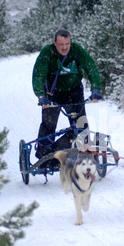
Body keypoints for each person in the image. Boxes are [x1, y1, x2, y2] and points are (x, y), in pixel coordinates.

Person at [32, 29, 102, 159]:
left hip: (74, 91)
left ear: (70, 42)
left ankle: (84, 152)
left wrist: (96, 88)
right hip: (53, 93)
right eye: (61, 44)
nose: (64, 48)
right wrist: (41, 96)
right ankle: (43, 154)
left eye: (67, 44)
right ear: (54, 42)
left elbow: (90, 66)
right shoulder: (47, 53)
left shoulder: (76, 50)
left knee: (80, 123)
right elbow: (38, 74)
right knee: (48, 124)